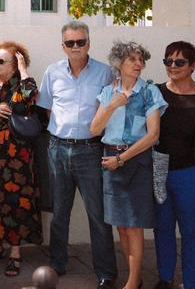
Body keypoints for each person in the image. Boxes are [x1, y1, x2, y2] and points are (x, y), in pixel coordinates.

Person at [36, 21, 118, 288]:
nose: (75, 47)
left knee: (98, 213)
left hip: (90, 150)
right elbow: (47, 108)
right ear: (63, 46)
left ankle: (106, 272)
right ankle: (58, 263)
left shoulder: (105, 73)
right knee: (60, 211)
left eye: (80, 42)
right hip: (58, 148)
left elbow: (112, 109)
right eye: (70, 43)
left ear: (89, 43)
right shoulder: (52, 72)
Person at [90, 41, 167, 289]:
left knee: (134, 226)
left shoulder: (150, 92)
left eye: (141, 60)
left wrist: (121, 159)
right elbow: (94, 129)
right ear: (119, 63)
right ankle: (136, 279)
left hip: (135, 161)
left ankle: (133, 282)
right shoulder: (107, 92)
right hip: (110, 158)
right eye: (132, 59)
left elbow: (153, 135)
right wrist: (113, 105)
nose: (138, 64)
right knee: (121, 226)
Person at [152, 41, 195, 289]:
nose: (173, 66)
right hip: (159, 172)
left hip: (193, 174)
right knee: (162, 229)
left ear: (193, 65)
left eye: (179, 62)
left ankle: (192, 283)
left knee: (192, 232)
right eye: (168, 61)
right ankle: (165, 279)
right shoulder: (154, 92)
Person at [0, 41, 42, 276]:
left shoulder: (21, 86)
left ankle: (15, 253)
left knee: (16, 202)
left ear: (14, 65)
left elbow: (31, 95)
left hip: (18, 159)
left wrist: (24, 70)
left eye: (2, 61)